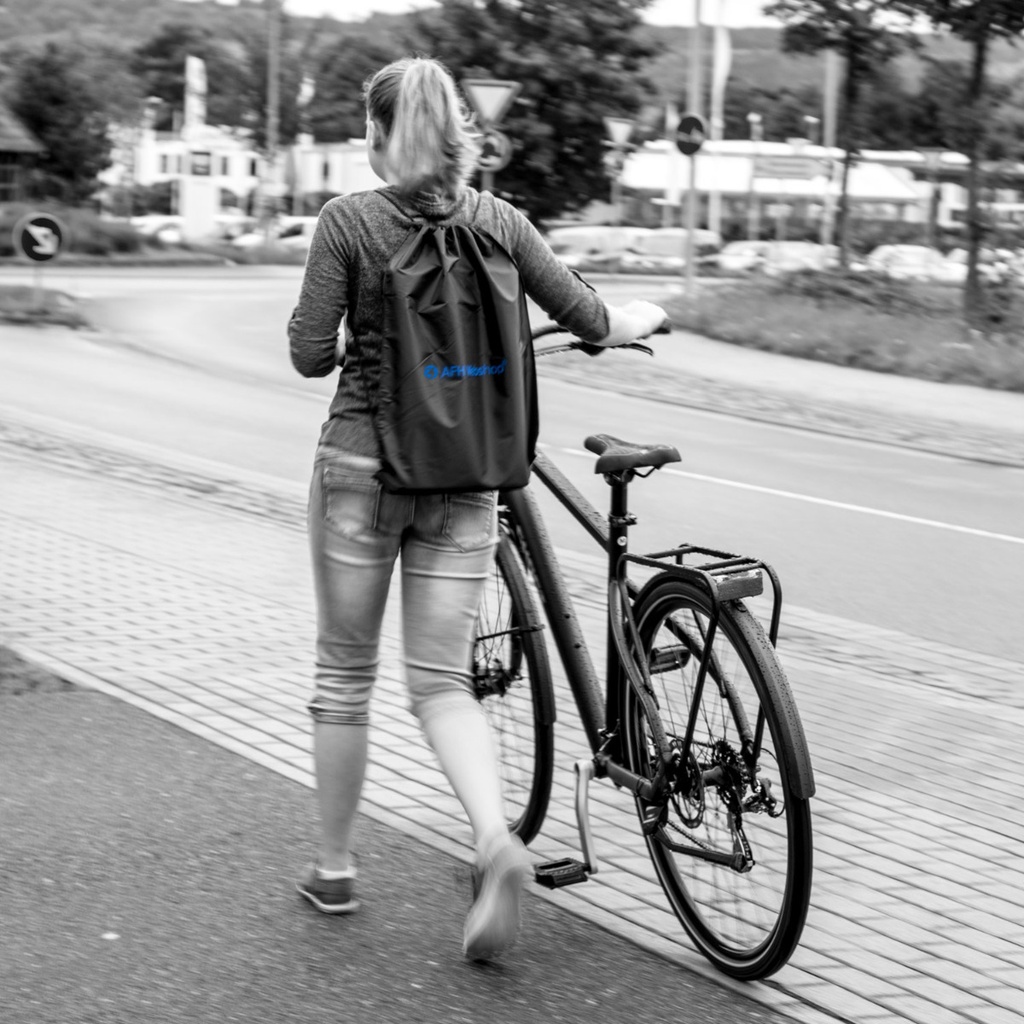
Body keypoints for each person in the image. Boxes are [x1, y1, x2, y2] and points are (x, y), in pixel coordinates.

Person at [288, 56, 667, 961]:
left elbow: (307, 352)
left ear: (382, 135)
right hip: (464, 476)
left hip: (361, 469)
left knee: (344, 677)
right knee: (442, 684)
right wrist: (640, 316)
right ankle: (495, 839)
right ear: (459, 131)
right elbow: (591, 317)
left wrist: (347, 337)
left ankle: (335, 869)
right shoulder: (500, 221)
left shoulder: (348, 222)